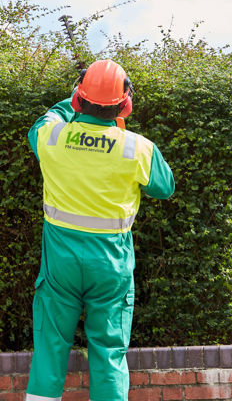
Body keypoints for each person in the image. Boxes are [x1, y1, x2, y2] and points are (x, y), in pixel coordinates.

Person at [25, 59, 175, 401]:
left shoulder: (52, 136)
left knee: (50, 346)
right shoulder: (137, 147)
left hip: (60, 262)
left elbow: (45, 120)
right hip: (111, 265)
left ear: (78, 99)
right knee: (109, 351)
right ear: (126, 104)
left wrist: (72, 100)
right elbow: (165, 187)